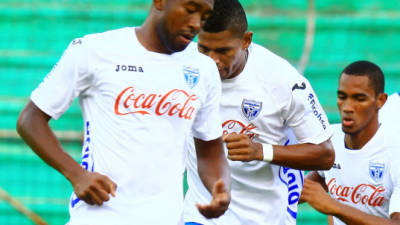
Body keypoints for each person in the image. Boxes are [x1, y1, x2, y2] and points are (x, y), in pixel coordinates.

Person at [16, 0, 232, 224]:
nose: (196, 24)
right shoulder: (95, 50)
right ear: (160, 2)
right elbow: (30, 120)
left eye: (205, 17)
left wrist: (221, 189)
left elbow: (210, 150)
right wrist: (76, 175)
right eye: (190, 10)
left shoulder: (203, 69)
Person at [183, 1, 335, 224]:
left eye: (223, 51)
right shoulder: (185, 65)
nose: (212, 60)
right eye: (204, 49)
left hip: (264, 216)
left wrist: (260, 151)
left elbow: (325, 154)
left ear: (246, 40)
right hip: (202, 213)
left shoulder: (282, 81)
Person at [301, 60, 400, 225]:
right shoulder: (329, 139)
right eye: (342, 97)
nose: (347, 107)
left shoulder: (394, 153)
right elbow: (318, 179)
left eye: (359, 99)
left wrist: (335, 207)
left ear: (381, 101)